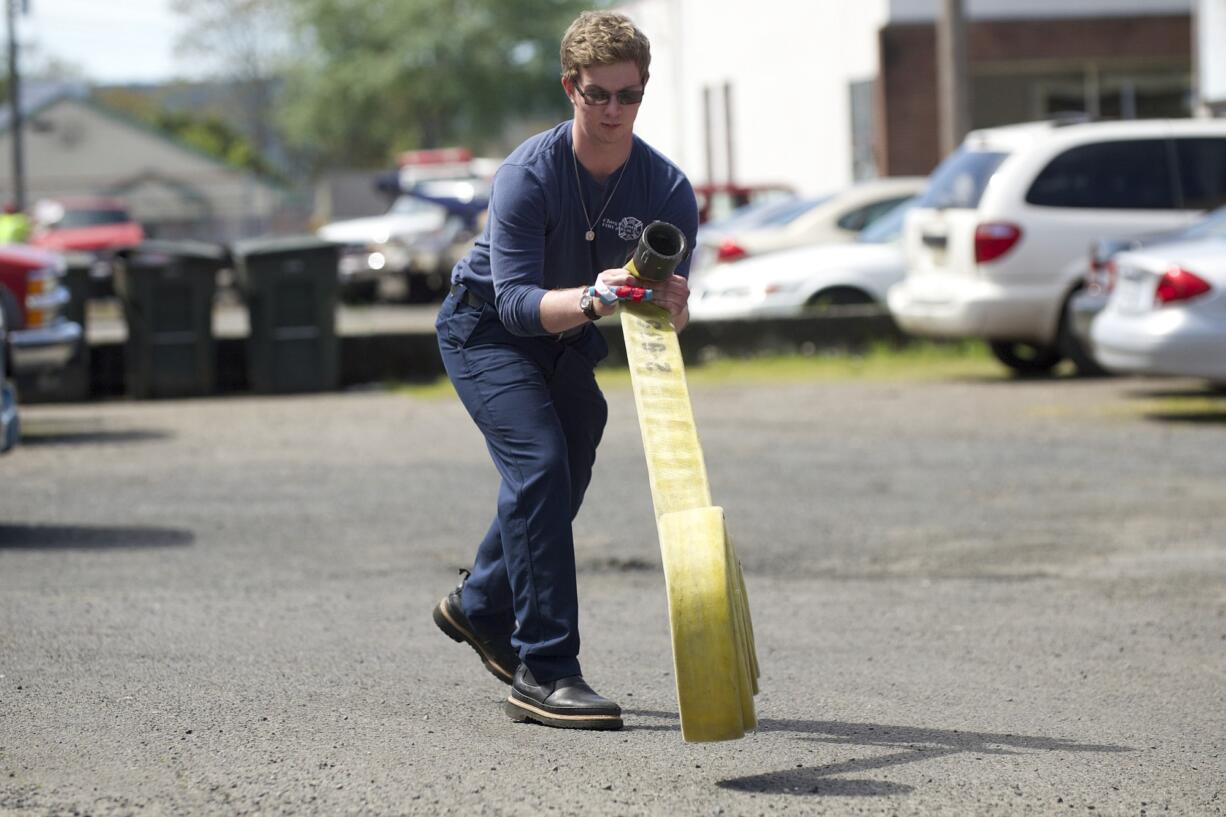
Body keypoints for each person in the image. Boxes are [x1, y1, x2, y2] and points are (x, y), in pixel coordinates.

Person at [432, 10, 698, 731]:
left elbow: (664, 313)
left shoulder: (667, 189)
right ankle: (545, 669)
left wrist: (671, 305)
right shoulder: (528, 174)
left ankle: (481, 602)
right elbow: (517, 304)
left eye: (629, 95)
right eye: (598, 95)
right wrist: (592, 295)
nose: (614, 111)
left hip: (571, 339)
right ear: (569, 89)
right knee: (541, 464)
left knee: (572, 456)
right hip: (486, 328)